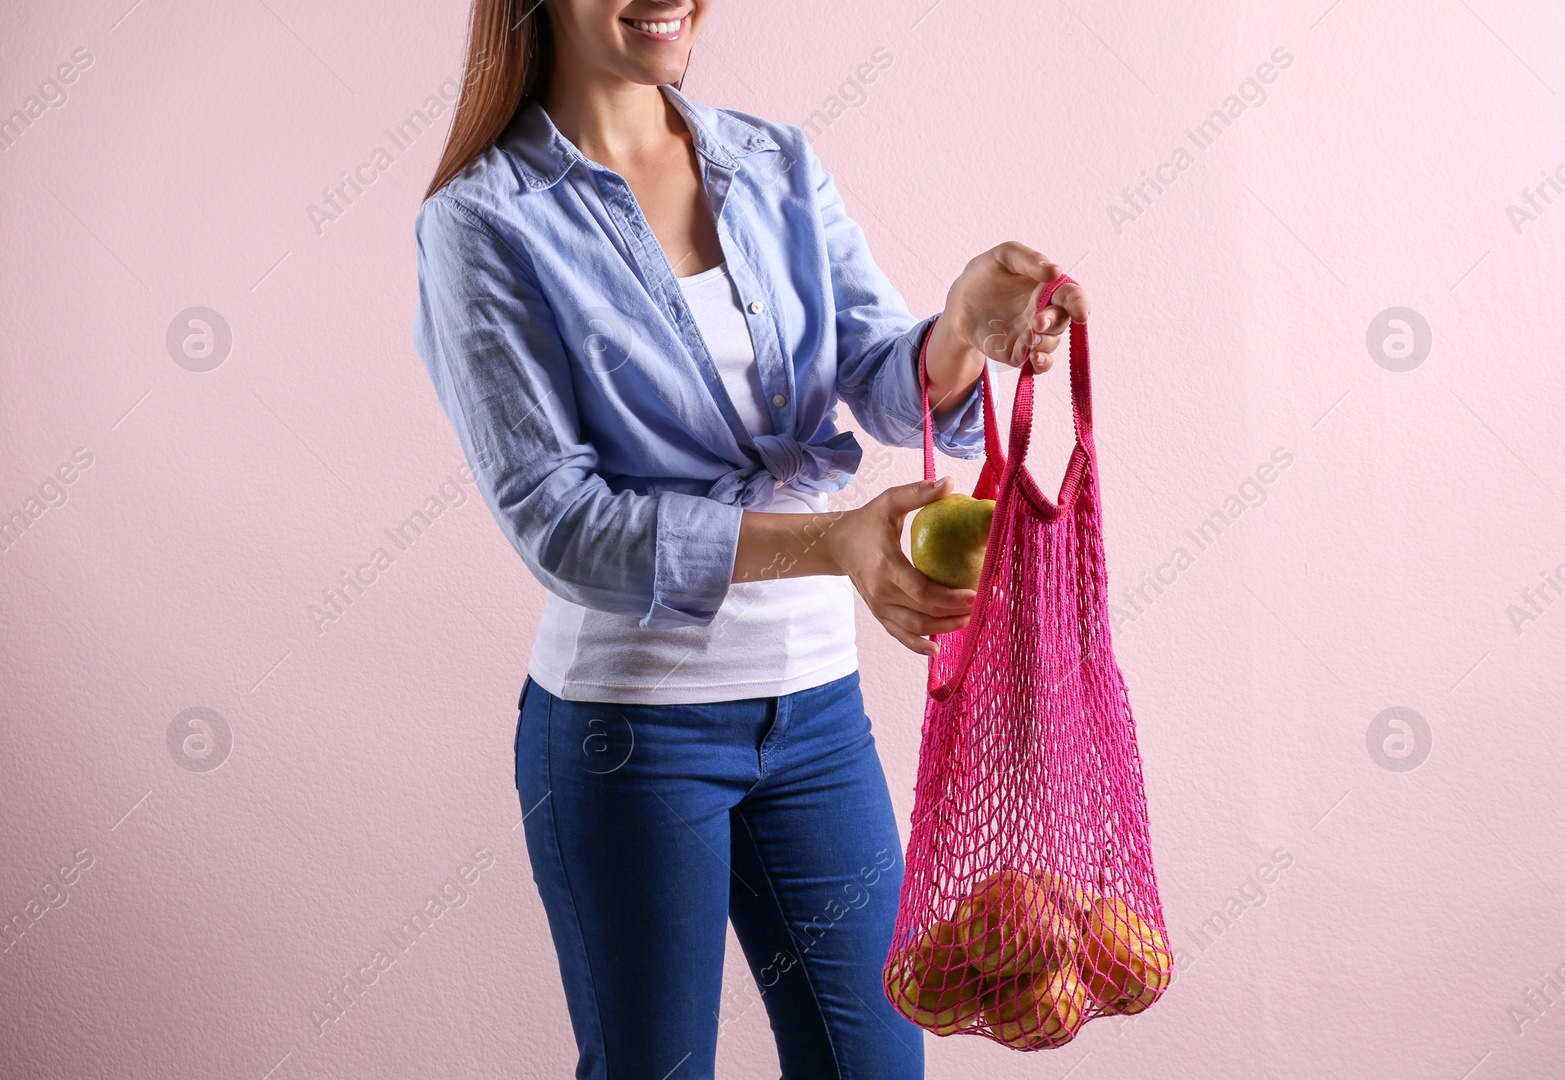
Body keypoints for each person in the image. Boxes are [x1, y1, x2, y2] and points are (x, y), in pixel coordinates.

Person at [411, 2, 1089, 1076]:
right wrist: (838, 544)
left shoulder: (773, 160)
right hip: (630, 734)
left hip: (817, 713)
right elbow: (561, 522)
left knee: (873, 1065)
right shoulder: (483, 219)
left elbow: (879, 375)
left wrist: (961, 327)